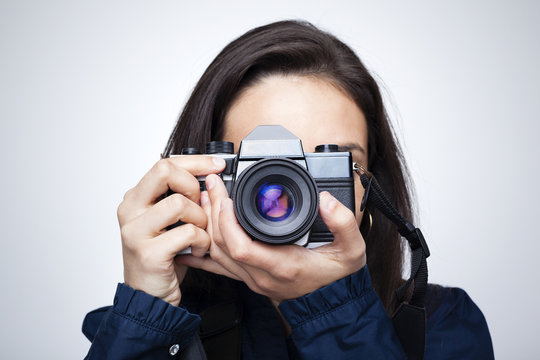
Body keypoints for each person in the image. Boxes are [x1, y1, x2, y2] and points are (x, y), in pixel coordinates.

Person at [82, 20, 494, 359]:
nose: (286, 195)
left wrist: (338, 309)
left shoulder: (442, 325)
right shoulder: (155, 326)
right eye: (262, 167)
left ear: (370, 186)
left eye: (327, 162)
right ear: (203, 175)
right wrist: (145, 317)